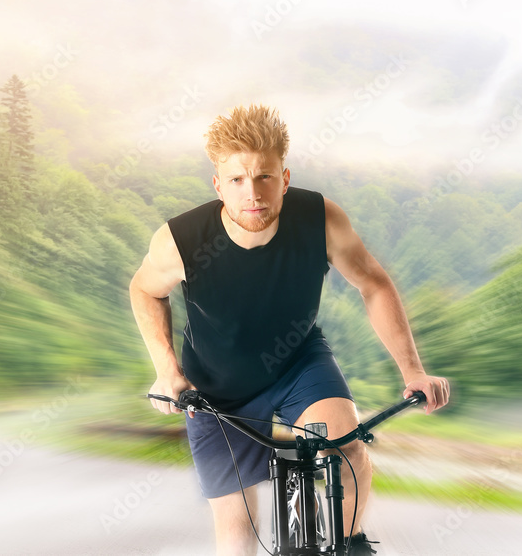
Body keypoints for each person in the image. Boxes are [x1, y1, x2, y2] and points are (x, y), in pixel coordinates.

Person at [129, 104, 450, 555]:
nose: (253, 193)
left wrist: (413, 371)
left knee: (347, 450)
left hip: (298, 363)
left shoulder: (320, 218)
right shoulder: (181, 240)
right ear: (218, 184)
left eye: (264, 176)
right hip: (217, 387)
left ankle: (350, 545)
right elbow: (145, 291)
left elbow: (373, 284)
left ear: (285, 177)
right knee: (237, 537)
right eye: (237, 180)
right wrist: (167, 371)